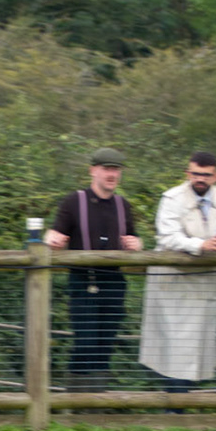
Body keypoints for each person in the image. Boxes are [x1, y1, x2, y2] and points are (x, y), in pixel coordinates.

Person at [140, 153, 216, 393]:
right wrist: (201, 245)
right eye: (195, 174)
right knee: (175, 348)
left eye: (206, 175)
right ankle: (174, 407)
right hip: (174, 285)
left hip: (206, 284)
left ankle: (184, 405)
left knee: (198, 348)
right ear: (187, 173)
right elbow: (168, 237)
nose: (200, 179)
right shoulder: (172, 198)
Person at [46, 148, 143, 390]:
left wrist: (137, 244)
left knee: (105, 345)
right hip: (83, 280)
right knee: (85, 342)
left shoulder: (123, 205)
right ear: (93, 170)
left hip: (114, 283)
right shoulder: (73, 201)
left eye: (116, 169)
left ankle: (96, 407)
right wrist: (52, 240)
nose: (112, 174)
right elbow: (55, 234)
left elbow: (134, 239)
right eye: (106, 169)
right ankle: (75, 402)